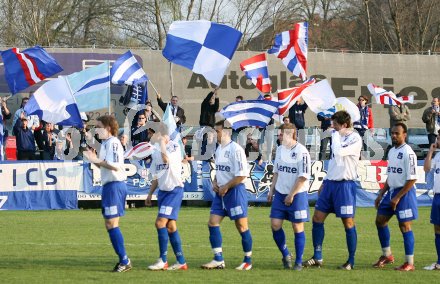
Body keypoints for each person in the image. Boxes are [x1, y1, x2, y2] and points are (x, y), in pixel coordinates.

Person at [303, 110, 362, 270]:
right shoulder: (338, 136)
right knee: (317, 218)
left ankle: (350, 261)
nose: (332, 127)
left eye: (335, 125)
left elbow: (339, 152)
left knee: (348, 222)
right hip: (330, 184)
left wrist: (335, 135)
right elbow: (336, 161)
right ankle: (317, 256)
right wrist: (325, 180)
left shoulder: (355, 138)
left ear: (344, 125)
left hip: (345, 185)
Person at [201, 120, 253, 270]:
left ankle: (247, 261)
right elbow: (219, 170)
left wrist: (227, 186)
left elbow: (241, 175)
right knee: (212, 222)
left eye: (217, 132)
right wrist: (215, 182)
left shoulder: (236, 150)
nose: (214, 134)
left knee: (242, 226)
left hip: (235, 192)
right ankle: (218, 259)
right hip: (221, 193)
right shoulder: (219, 149)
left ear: (226, 132)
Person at [83, 115, 132, 273]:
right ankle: (124, 260)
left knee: (112, 224)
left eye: (99, 126)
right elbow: (104, 167)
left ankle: (124, 260)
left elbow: (114, 166)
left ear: (108, 128)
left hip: (115, 185)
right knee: (109, 224)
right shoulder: (106, 144)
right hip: (109, 185)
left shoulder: (114, 143)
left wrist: (95, 159)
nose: (96, 129)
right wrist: (93, 160)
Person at [373, 122, 418, 271]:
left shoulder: (408, 152)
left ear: (404, 135)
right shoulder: (392, 151)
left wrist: (398, 197)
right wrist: (381, 194)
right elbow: (390, 175)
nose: (393, 135)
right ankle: (387, 255)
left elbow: (412, 178)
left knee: (404, 226)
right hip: (391, 191)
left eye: (397, 133)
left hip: (404, 193)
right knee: (380, 221)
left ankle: (409, 263)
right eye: (392, 133)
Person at [268, 123, 311, 270]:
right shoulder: (280, 150)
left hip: (297, 194)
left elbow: (303, 176)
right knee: (275, 224)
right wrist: (271, 189)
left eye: (281, 134)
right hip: (280, 193)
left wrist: (291, 194)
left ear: (290, 134)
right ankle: (286, 253)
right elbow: (277, 172)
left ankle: (298, 262)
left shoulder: (302, 151)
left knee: (297, 226)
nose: (278, 137)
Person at [146, 124, 187, 271]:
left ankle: (163, 260)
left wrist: (162, 142)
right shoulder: (156, 151)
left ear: (160, 134)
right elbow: (157, 175)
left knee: (160, 223)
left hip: (174, 190)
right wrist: (150, 193)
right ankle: (181, 261)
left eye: (152, 134)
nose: (150, 137)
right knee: (170, 226)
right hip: (163, 192)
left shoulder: (174, 146)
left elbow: (166, 161)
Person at [423, 130, 440, 270]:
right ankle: (439, 262)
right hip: (437, 197)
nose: (437, 141)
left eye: (439, 138)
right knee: (437, 229)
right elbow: (427, 168)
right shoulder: (438, 156)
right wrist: (430, 151)